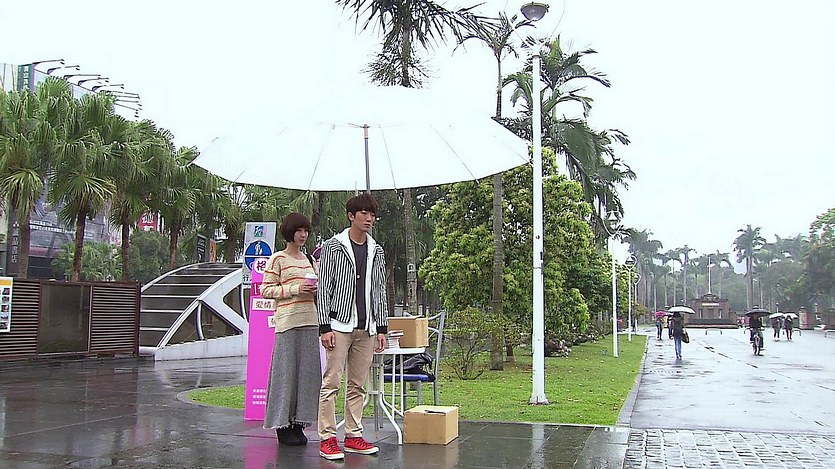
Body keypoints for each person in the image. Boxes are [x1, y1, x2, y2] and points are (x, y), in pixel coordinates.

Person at [317, 193, 389, 461]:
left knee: (358, 384)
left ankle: (353, 435)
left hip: (366, 327)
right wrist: (324, 326)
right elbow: (324, 288)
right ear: (351, 216)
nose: (369, 219)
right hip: (339, 325)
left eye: (372, 214)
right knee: (331, 382)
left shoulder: (376, 250)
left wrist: (381, 328)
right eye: (364, 213)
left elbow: (379, 290)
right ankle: (327, 438)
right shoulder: (333, 247)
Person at [261, 212, 321, 446]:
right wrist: (295, 289)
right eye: (299, 231)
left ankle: (299, 422)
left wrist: (315, 290)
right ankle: (282, 425)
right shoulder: (278, 259)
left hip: (310, 321)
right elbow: (266, 290)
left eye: (306, 231)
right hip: (287, 323)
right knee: (285, 375)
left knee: (307, 375)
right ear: (289, 232)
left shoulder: (309, 260)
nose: (303, 235)